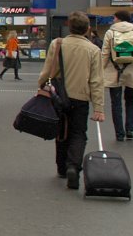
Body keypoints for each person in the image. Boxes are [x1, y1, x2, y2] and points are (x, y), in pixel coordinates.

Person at [37, 11, 105, 190]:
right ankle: (73, 166)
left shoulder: (57, 44)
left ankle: (61, 167)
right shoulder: (93, 50)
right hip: (81, 97)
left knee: (61, 131)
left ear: (69, 26)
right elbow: (97, 81)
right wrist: (98, 108)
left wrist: (40, 86)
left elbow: (48, 70)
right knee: (78, 133)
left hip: (59, 96)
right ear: (87, 29)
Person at [101, 10, 133, 142]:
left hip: (114, 71)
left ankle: (119, 133)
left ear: (118, 19)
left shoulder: (110, 33)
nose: (113, 20)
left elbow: (105, 53)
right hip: (132, 70)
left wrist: (100, 70)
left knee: (116, 103)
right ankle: (130, 129)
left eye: (114, 18)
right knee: (130, 100)